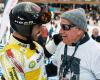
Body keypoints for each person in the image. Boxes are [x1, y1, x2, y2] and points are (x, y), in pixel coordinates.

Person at [0, 2, 51, 80]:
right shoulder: (11, 55)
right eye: (38, 26)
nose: (41, 29)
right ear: (24, 28)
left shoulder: (35, 44)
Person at [52, 8, 100, 80]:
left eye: (65, 27)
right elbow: (54, 67)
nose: (60, 31)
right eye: (60, 26)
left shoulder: (96, 51)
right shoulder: (61, 44)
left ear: (80, 30)